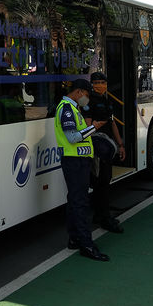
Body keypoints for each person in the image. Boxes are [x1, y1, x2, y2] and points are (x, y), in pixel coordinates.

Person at [55, 79, 110, 261]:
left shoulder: (72, 108)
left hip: (78, 161)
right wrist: (94, 127)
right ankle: (86, 244)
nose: (87, 100)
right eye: (86, 95)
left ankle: (75, 238)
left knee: (74, 200)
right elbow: (72, 137)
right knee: (80, 202)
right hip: (75, 161)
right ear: (78, 92)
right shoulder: (67, 109)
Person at [84, 71, 126, 234]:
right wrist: (95, 126)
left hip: (108, 148)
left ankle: (100, 215)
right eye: (96, 83)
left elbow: (112, 123)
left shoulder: (106, 100)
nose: (100, 85)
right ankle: (105, 218)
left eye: (103, 82)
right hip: (97, 149)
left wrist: (120, 145)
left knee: (104, 182)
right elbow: (88, 126)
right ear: (91, 84)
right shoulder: (87, 101)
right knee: (101, 183)